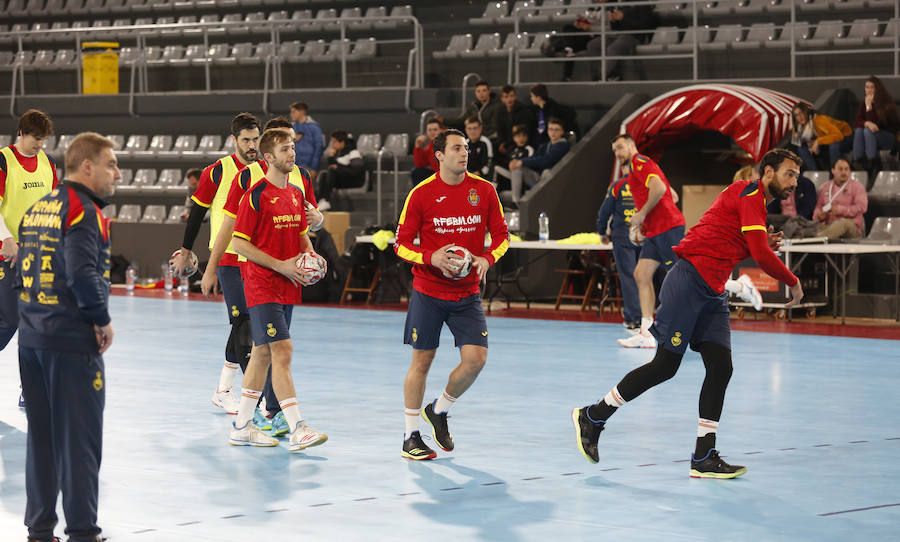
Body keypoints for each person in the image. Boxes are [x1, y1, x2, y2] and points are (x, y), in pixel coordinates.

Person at [572, 148, 805, 479]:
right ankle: (593, 416)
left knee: (721, 367)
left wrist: (763, 240)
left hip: (713, 293)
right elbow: (760, 256)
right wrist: (793, 282)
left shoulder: (755, 203)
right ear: (767, 172)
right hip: (689, 283)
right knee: (665, 366)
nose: (794, 181)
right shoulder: (749, 191)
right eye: (789, 173)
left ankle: (704, 455)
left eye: (797, 175)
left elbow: (736, 241)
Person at [17, 131, 119, 542]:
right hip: (70, 341)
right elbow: (82, 273)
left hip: (32, 340)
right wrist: (101, 318)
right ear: (87, 166)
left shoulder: (38, 208)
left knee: (41, 438)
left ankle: (40, 529)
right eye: (111, 164)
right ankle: (82, 531)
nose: (117, 173)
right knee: (80, 439)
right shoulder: (84, 210)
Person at [394, 129, 510, 460]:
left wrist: (487, 258)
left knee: (476, 360)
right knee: (422, 361)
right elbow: (401, 243)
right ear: (439, 155)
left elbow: (502, 236)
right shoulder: (421, 194)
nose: (464, 153)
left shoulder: (484, 190)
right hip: (428, 291)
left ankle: (439, 409)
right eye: (457, 148)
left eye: (467, 148)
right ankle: (410, 436)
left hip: (467, 293)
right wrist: (430, 257)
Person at [206, 116, 323, 437]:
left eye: (293, 147)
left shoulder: (296, 193)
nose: (292, 154)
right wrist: (281, 265)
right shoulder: (255, 192)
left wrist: (313, 257)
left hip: (288, 283)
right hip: (261, 283)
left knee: (261, 351)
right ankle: (297, 425)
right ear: (268, 156)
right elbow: (239, 241)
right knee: (282, 350)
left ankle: (242, 424)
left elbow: (303, 234)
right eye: (285, 149)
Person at [171, 112, 261, 415]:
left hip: (259, 260)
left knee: (251, 327)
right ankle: (253, 401)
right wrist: (186, 250)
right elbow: (196, 214)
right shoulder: (217, 172)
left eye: (255, 139)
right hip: (228, 259)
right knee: (243, 323)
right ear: (234, 139)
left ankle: (224, 389)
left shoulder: (266, 170)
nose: (251, 145)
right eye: (246, 140)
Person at [0, 109, 59, 409]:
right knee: (10, 320)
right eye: (36, 139)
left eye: (43, 140)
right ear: (22, 133)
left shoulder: (48, 164)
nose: (40, 145)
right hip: (6, 256)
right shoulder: (3, 160)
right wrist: (6, 239)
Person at [611, 134, 685, 349]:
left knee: (685, 276)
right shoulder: (637, 170)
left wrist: (642, 213)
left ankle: (739, 285)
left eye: (621, 147)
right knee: (641, 275)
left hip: (668, 228)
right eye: (615, 150)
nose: (618, 153)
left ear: (632, 146)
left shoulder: (639, 162)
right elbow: (672, 195)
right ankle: (646, 332)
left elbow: (660, 189)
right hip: (655, 230)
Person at [556, 0, 657, 82]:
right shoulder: (622, 4)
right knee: (593, 45)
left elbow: (644, 26)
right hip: (618, 34)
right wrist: (614, 21)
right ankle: (604, 76)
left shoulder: (642, 4)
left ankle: (602, 77)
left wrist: (623, 18)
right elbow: (616, 26)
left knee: (612, 48)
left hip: (635, 36)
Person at [508, 117, 570, 204]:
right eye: (551, 129)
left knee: (546, 172)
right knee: (517, 168)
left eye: (556, 130)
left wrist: (522, 161)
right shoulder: (545, 146)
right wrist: (517, 162)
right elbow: (534, 158)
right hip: (538, 178)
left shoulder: (563, 146)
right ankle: (516, 202)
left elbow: (546, 160)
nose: (553, 132)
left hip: (554, 180)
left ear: (562, 132)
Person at [852, 76, 900, 183]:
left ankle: (873, 163)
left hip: (889, 138)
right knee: (860, 130)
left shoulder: (886, 103)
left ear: (877, 89)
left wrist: (869, 108)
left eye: (871, 87)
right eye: (866, 87)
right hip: (871, 137)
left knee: (867, 130)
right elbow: (857, 122)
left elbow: (876, 125)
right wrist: (866, 122)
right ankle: (858, 161)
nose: (868, 90)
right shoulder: (863, 103)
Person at [812, 157, 868, 239]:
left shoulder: (858, 187)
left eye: (846, 169)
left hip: (851, 226)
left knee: (842, 223)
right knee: (810, 226)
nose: (844, 172)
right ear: (833, 170)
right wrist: (819, 215)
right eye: (840, 169)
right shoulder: (824, 187)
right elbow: (818, 207)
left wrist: (840, 210)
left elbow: (862, 208)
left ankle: (816, 241)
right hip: (829, 225)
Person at [790, 103, 853, 172]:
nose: (800, 117)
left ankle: (835, 173)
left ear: (806, 112)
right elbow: (797, 141)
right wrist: (811, 144)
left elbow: (838, 135)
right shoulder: (799, 127)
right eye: (796, 115)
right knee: (801, 149)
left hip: (845, 137)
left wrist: (817, 141)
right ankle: (814, 174)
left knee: (834, 144)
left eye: (801, 113)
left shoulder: (819, 120)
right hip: (826, 141)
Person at [316, 129, 365, 211]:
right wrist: (331, 157)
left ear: (342, 142)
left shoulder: (353, 153)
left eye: (334, 142)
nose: (332, 145)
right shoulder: (339, 153)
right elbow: (334, 166)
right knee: (324, 174)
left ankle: (325, 200)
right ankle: (321, 200)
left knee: (331, 171)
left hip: (355, 181)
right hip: (343, 179)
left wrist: (339, 168)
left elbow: (356, 172)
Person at [494, 124, 534, 197]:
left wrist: (515, 163)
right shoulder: (512, 149)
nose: (521, 139)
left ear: (527, 137)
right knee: (496, 168)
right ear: (514, 138)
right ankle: (495, 189)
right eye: (518, 136)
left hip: (522, 175)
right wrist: (509, 164)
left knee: (517, 170)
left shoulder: (528, 149)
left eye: (523, 136)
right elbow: (506, 162)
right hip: (510, 174)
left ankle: (516, 200)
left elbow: (529, 162)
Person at [496, 85, 537, 154]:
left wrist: (506, 145)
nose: (509, 99)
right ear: (502, 99)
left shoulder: (524, 112)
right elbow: (500, 130)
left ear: (515, 96)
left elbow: (522, 133)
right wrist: (501, 143)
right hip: (507, 143)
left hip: (520, 144)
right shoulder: (500, 112)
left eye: (511, 96)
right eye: (506, 97)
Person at [290, 101, 324, 179]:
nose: (291, 114)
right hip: (293, 168)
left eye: (294, 112)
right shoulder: (291, 127)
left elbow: (318, 148)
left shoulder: (314, 128)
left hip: (309, 168)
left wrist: (314, 168)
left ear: (302, 112)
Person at [411, 118, 443, 185]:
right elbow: (420, 164)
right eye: (429, 130)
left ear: (440, 130)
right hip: (437, 175)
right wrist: (417, 146)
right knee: (417, 172)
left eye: (435, 129)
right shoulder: (430, 146)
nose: (432, 132)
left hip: (446, 176)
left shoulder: (446, 144)